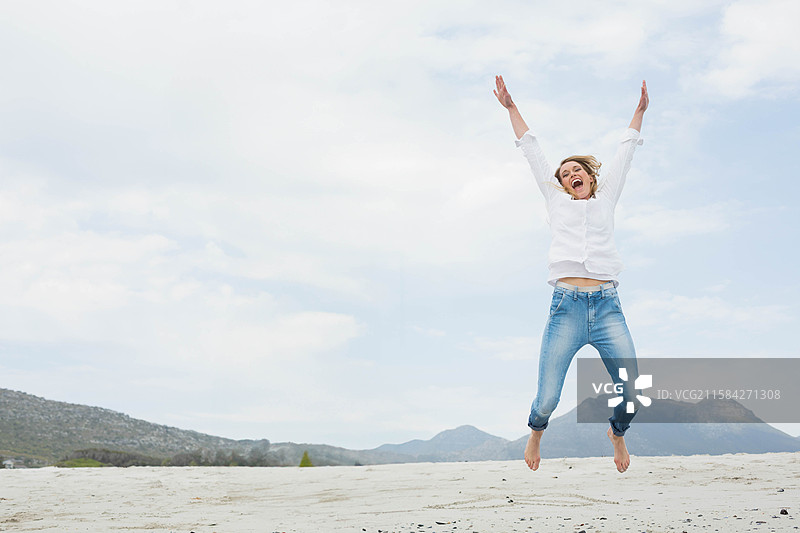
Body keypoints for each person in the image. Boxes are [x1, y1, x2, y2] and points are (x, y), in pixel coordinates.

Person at [493, 75, 649, 473]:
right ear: (560, 185)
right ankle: (537, 431)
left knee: (633, 392)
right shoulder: (556, 201)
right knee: (547, 399)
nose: (570, 175)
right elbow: (532, 151)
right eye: (564, 174)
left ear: (591, 178)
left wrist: (639, 112)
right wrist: (511, 107)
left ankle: (616, 433)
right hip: (566, 308)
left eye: (577, 170)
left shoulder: (606, 197)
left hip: (607, 307)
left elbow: (625, 152)